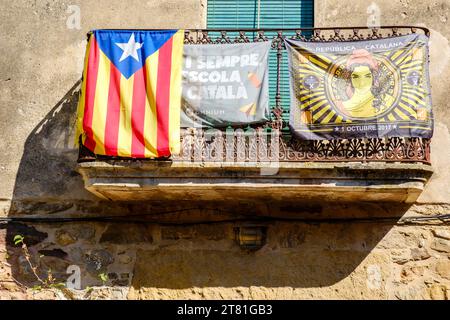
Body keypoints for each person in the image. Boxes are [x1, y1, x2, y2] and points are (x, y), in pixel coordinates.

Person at [335, 49, 393, 118]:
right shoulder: (340, 105)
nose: (362, 83)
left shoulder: (388, 100)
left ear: (373, 77)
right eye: (356, 77)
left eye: (367, 76)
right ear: (350, 79)